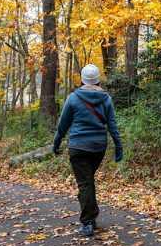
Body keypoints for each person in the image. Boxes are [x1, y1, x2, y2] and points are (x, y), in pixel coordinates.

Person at [53, 64, 123, 236]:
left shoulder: (73, 98)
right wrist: (118, 145)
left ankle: (88, 223)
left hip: (78, 146)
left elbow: (63, 124)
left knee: (85, 183)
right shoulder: (106, 98)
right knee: (87, 181)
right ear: (98, 79)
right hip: (99, 146)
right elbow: (112, 125)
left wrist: (56, 141)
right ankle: (92, 216)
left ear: (82, 79)